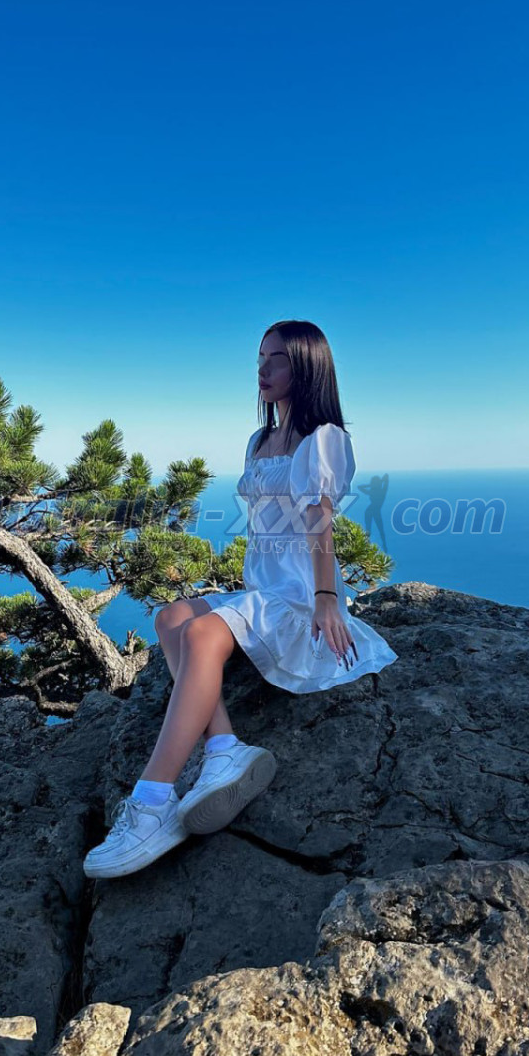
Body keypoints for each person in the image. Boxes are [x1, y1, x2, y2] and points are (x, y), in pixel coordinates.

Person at [83, 319, 399, 879]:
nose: (262, 370)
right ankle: (224, 746)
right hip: (262, 590)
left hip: (298, 596)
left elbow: (319, 523)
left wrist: (327, 597)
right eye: (259, 358)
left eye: (276, 360)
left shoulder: (323, 439)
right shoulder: (259, 441)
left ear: (307, 367)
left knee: (202, 631)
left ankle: (153, 802)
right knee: (170, 617)